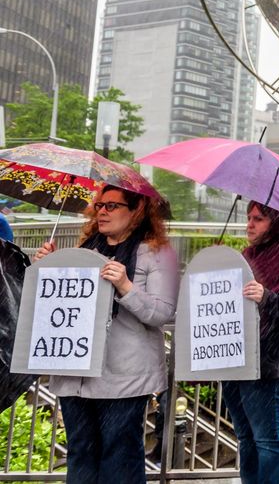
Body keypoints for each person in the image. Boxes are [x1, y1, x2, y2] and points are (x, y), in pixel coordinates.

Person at [36, 185, 178, 483]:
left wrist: (126, 286)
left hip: (125, 377)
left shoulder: (156, 253)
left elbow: (162, 313)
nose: (102, 210)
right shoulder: (86, 250)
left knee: (119, 455)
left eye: (112, 206)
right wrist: (46, 269)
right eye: (99, 204)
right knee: (80, 452)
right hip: (76, 375)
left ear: (137, 210)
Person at [221, 201, 279, 484]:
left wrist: (266, 297)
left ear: (277, 223)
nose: (250, 224)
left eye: (258, 219)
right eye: (248, 218)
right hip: (239, 358)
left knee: (268, 437)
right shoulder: (247, 255)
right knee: (246, 435)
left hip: (269, 363)